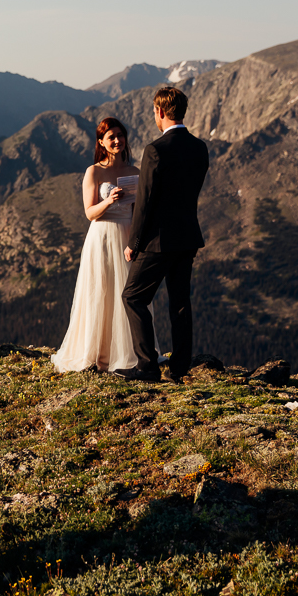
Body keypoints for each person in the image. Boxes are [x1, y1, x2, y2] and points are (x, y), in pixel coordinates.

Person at [116, 87, 210, 383]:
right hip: (187, 238)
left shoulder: (155, 150)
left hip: (158, 241)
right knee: (180, 303)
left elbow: (145, 202)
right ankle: (179, 368)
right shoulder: (200, 148)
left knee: (133, 297)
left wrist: (134, 243)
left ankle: (147, 366)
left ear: (159, 112)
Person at [51, 118, 155, 373]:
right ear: (101, 142)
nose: (117, 140)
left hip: (126, 236)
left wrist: (137, 242)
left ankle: (129, 354)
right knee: (100, 292)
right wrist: (108, 201)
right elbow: (89, 213)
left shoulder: (135, 173)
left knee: (126, 293)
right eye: (111, 137)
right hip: (101, 237)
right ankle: (97, 353)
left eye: (120, 135)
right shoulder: (94, 172)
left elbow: (139, 212)